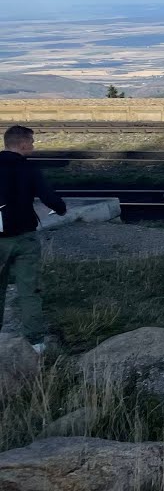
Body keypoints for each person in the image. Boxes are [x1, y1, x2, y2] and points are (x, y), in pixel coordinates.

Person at [0, 125, 66, 353]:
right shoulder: (28, 168)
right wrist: (61, 208)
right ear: (22, 144)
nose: (33, 146)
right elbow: (48, 196)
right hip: (25, 237)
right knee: (29, 289)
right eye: (31, 142)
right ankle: (35, 342)